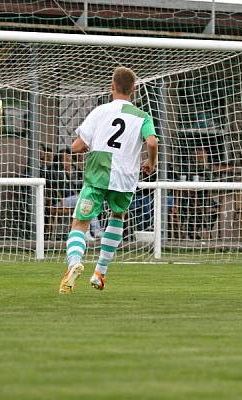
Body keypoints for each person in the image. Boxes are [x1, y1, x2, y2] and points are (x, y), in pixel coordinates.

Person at [58, 66, 158, 294]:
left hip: (98, 173)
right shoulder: (143, 116)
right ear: (134, 89)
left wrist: (76, 149)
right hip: (125, 176)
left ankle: (74, 263)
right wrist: (150, 164)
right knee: (117, 216)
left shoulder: (100, 111)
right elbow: (152, 143)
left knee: (80, 223)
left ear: (112, 87)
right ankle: (100, 272)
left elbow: (78, 146)